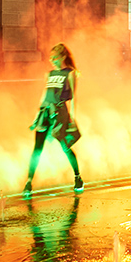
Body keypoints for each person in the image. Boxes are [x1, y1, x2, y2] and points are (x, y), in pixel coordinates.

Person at [24, 43, 84, 196]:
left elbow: (74, 98)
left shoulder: (70, 74)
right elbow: (44, 94)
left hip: (59, 112)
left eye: (55, 57)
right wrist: (37, 114)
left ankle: (78, 177)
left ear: (63, 57)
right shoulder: (49, 74)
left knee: (65, 146)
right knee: (37, 147)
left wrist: (73, 117)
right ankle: (29, 182)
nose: (52, 60)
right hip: (45, 111)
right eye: (50, 58)